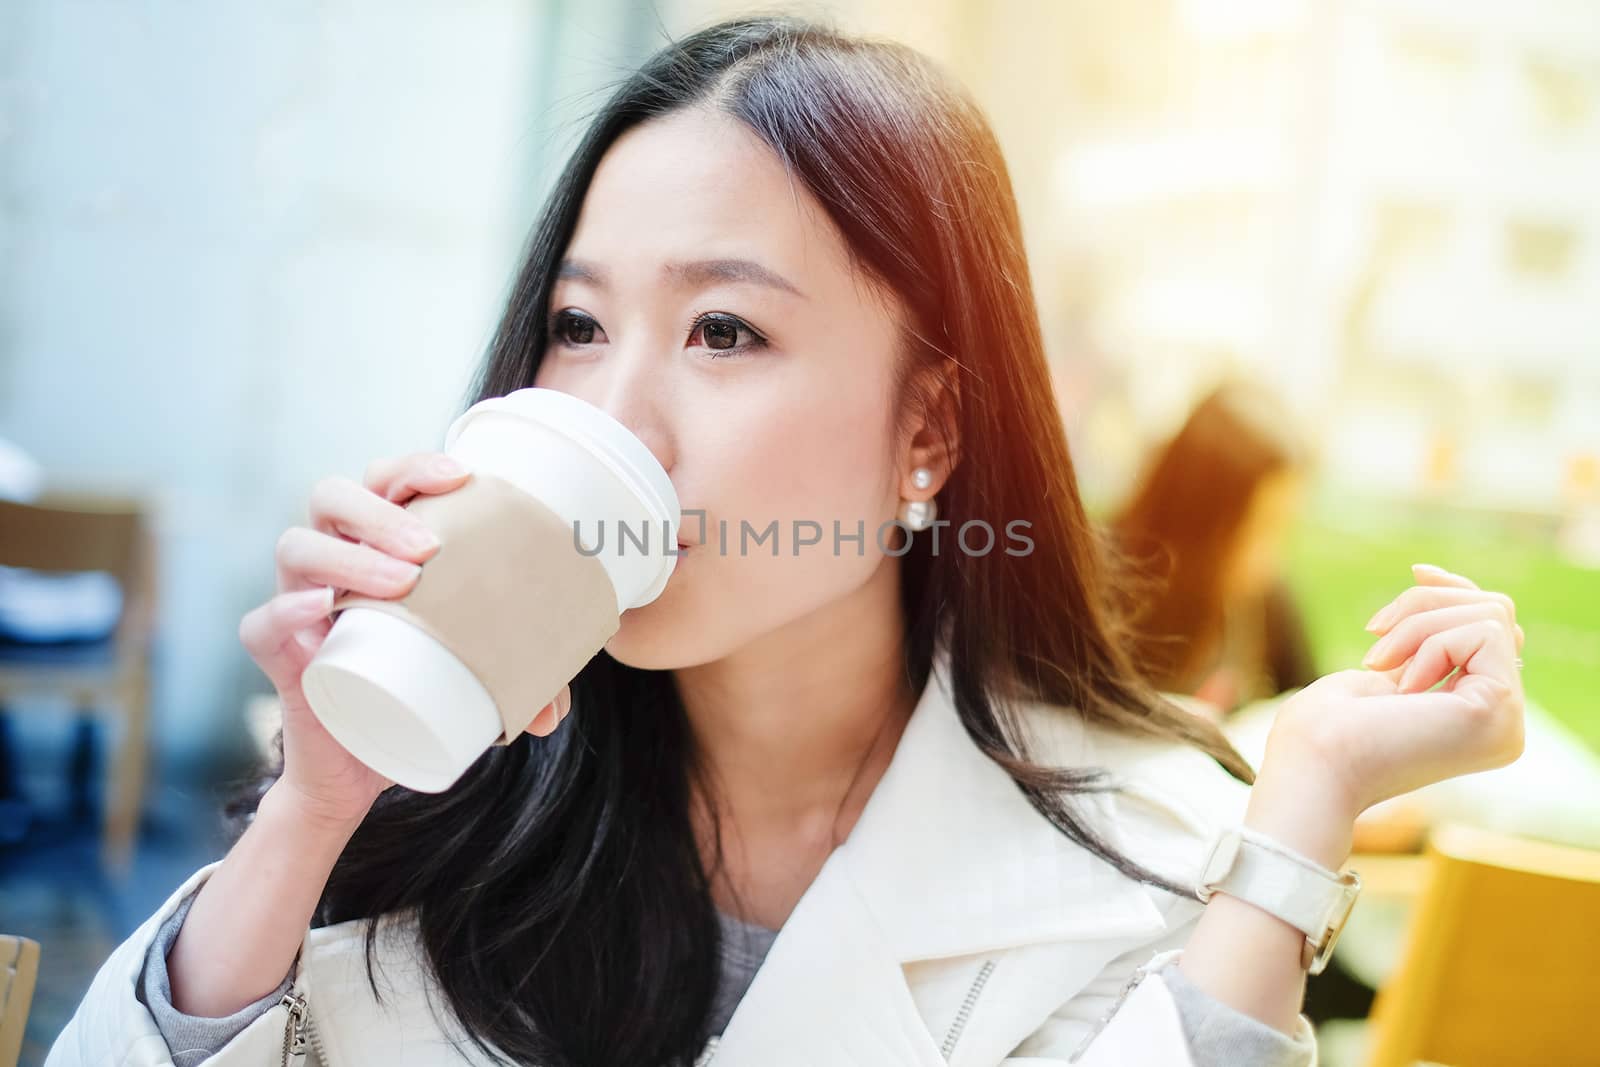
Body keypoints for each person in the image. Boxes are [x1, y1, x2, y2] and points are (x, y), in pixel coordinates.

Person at [47, 17, 1527, 1067]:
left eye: (724, 329)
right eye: (577, 324)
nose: (621, 414)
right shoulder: (428, 796)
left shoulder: (1151, 869)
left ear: (930, 433)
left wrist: (1307, 808)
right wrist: (313, 811)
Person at [1109, 381, 1320, 720]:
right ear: (1202, 520)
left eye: (1283, 527)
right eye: (1260, 528)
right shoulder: (1103, 592)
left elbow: (1314, 700)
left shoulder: (1265, 598)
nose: (1271, 557)